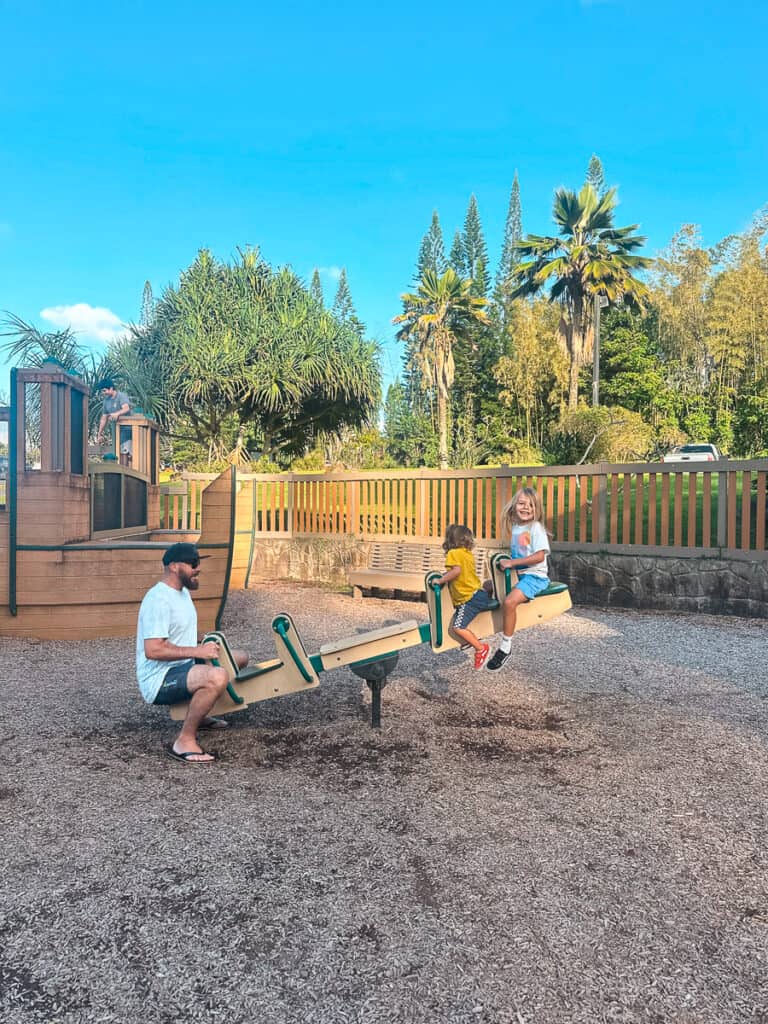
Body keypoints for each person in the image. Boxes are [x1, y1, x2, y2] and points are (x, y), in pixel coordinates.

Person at [136, 542, 249, 764]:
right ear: (174, 566)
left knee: (239, 658)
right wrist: (198, 650)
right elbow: (153, 649)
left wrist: (203, 640)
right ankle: (184, 740)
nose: (198, 568)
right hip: (160, 679)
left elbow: (178, 630)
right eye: (193, 563)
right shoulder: (158, 600)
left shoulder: (182, 592)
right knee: (217, 676)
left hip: (183, 665)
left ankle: (201, 712)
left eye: (199, 562)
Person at [487, 487, 551, 672]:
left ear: (537, 508)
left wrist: (512, 563)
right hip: (519, 574)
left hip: (535, 577)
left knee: (509, 601)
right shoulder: (517, 527)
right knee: (487, 586)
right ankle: (477, 624)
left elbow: (539, 557)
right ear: (514, 505)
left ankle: (505, 646)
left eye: (530, 505)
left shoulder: (536, 528)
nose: (526, 508)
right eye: (522, 503)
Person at [434, 523, 494, 670]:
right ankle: (469, 640)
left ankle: (481, 648)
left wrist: (440, 580)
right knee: (460, 618)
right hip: (477, 594)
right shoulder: (467, 553)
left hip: (469, 599)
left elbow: (456, 572)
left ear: (450, 540)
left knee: (458, 627)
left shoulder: (453, 553)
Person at [95, 379, 132, 464]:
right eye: (102, 391)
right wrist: (99, 434)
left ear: (111, 388)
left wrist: (117, 414)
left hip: (128, 429)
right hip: (117, 430)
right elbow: (104, 418)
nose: (104, 393)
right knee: (118, 450)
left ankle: (125, 471)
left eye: (105, 390)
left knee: (125, 450)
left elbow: (126, 408)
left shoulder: (121, 396)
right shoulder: (106, 401)